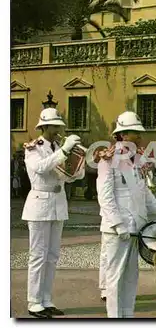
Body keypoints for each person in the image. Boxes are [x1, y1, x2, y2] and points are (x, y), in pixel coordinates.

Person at [96, 111, 156, 318]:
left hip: (136, 226)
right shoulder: (108, 159)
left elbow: (143, 190)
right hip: (117, 228)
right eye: (135, 132)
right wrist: (117, 224)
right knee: (114, 277)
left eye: (139, 132)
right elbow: (105, 196)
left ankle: (127, 315)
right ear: (123, 135)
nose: (140, 136)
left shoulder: (138, 159)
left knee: (131, 276)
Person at [22, 107, 85, 318]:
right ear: (45, 127)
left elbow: (63, 176)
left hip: (58, 203)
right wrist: (65, 151)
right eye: (56, 126)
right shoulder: (33, 147)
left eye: (60, 126)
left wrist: (76, 170)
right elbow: (40, 168)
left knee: (52, 256)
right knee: (38, 256)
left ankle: (46, 299)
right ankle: (34, 302)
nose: (59, 129)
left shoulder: (59, 146)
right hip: (39, 204)